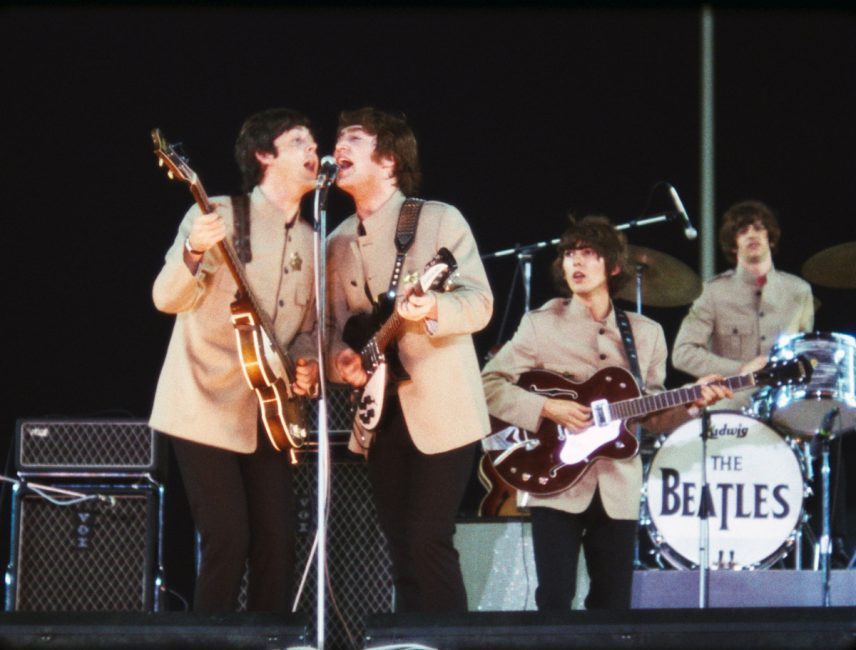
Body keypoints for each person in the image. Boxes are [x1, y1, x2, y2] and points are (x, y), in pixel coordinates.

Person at [481, 216, 730, 611]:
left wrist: (692, 403)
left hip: (617, 487)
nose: (575, 263)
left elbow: (651, 414)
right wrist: (548, 407)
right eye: (569, 254)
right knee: (554, 598)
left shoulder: (646, 334)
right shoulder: (540, 324)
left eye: (589, 254)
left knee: (613, 604)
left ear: (613, 267)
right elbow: (488, 385)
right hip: (554, 481)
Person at [149, 108, 320, 612]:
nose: (313, 150)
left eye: (313, 142)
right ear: (263, 156)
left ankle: (270, 640)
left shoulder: (314, 239)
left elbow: (310, 328)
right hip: (203, 400)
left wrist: (307, 362)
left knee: (278, 542)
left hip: (269, 409)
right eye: (297, 141)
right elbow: (165, 297)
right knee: (227, 539)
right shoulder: (218, 212)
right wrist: (193, 251)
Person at [325, 107, 493, 613]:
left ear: (390, 160)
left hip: (442, 408)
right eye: (337, 138)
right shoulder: (334, 243)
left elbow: (480, 303)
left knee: (428, 540)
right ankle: (410, 642)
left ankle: (449, 642)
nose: (338, 146)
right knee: (399, 549)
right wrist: (341, 362)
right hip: (379, 415)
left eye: (353, 138)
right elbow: (335, 334)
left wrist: (433, 306)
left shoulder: (438, 218)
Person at [672, 199, 814, 409]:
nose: (752, 234)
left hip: (784, 403)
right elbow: (682, 353)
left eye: (759, 228)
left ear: (770, 238)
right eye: (742, 230)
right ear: (733, 243)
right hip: (730, 402)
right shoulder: (712, 291)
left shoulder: (799, 291)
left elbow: (807, 355)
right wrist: (741, 368)